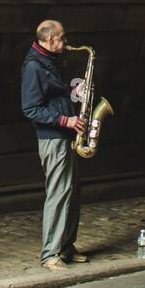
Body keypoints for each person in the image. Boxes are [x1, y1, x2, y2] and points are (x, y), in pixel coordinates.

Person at [21, 19, 89, 271]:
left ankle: (66, 247)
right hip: (53, 138)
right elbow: (30, 108)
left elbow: (54, 97)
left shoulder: (49, 61)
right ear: (50, 40)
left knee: (72, 192)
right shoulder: (34, 67)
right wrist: (65, 120)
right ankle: (50, 254)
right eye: (62, 37)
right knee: (58, 194)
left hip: (65, 136)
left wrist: (76, 94)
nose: (66, 41)